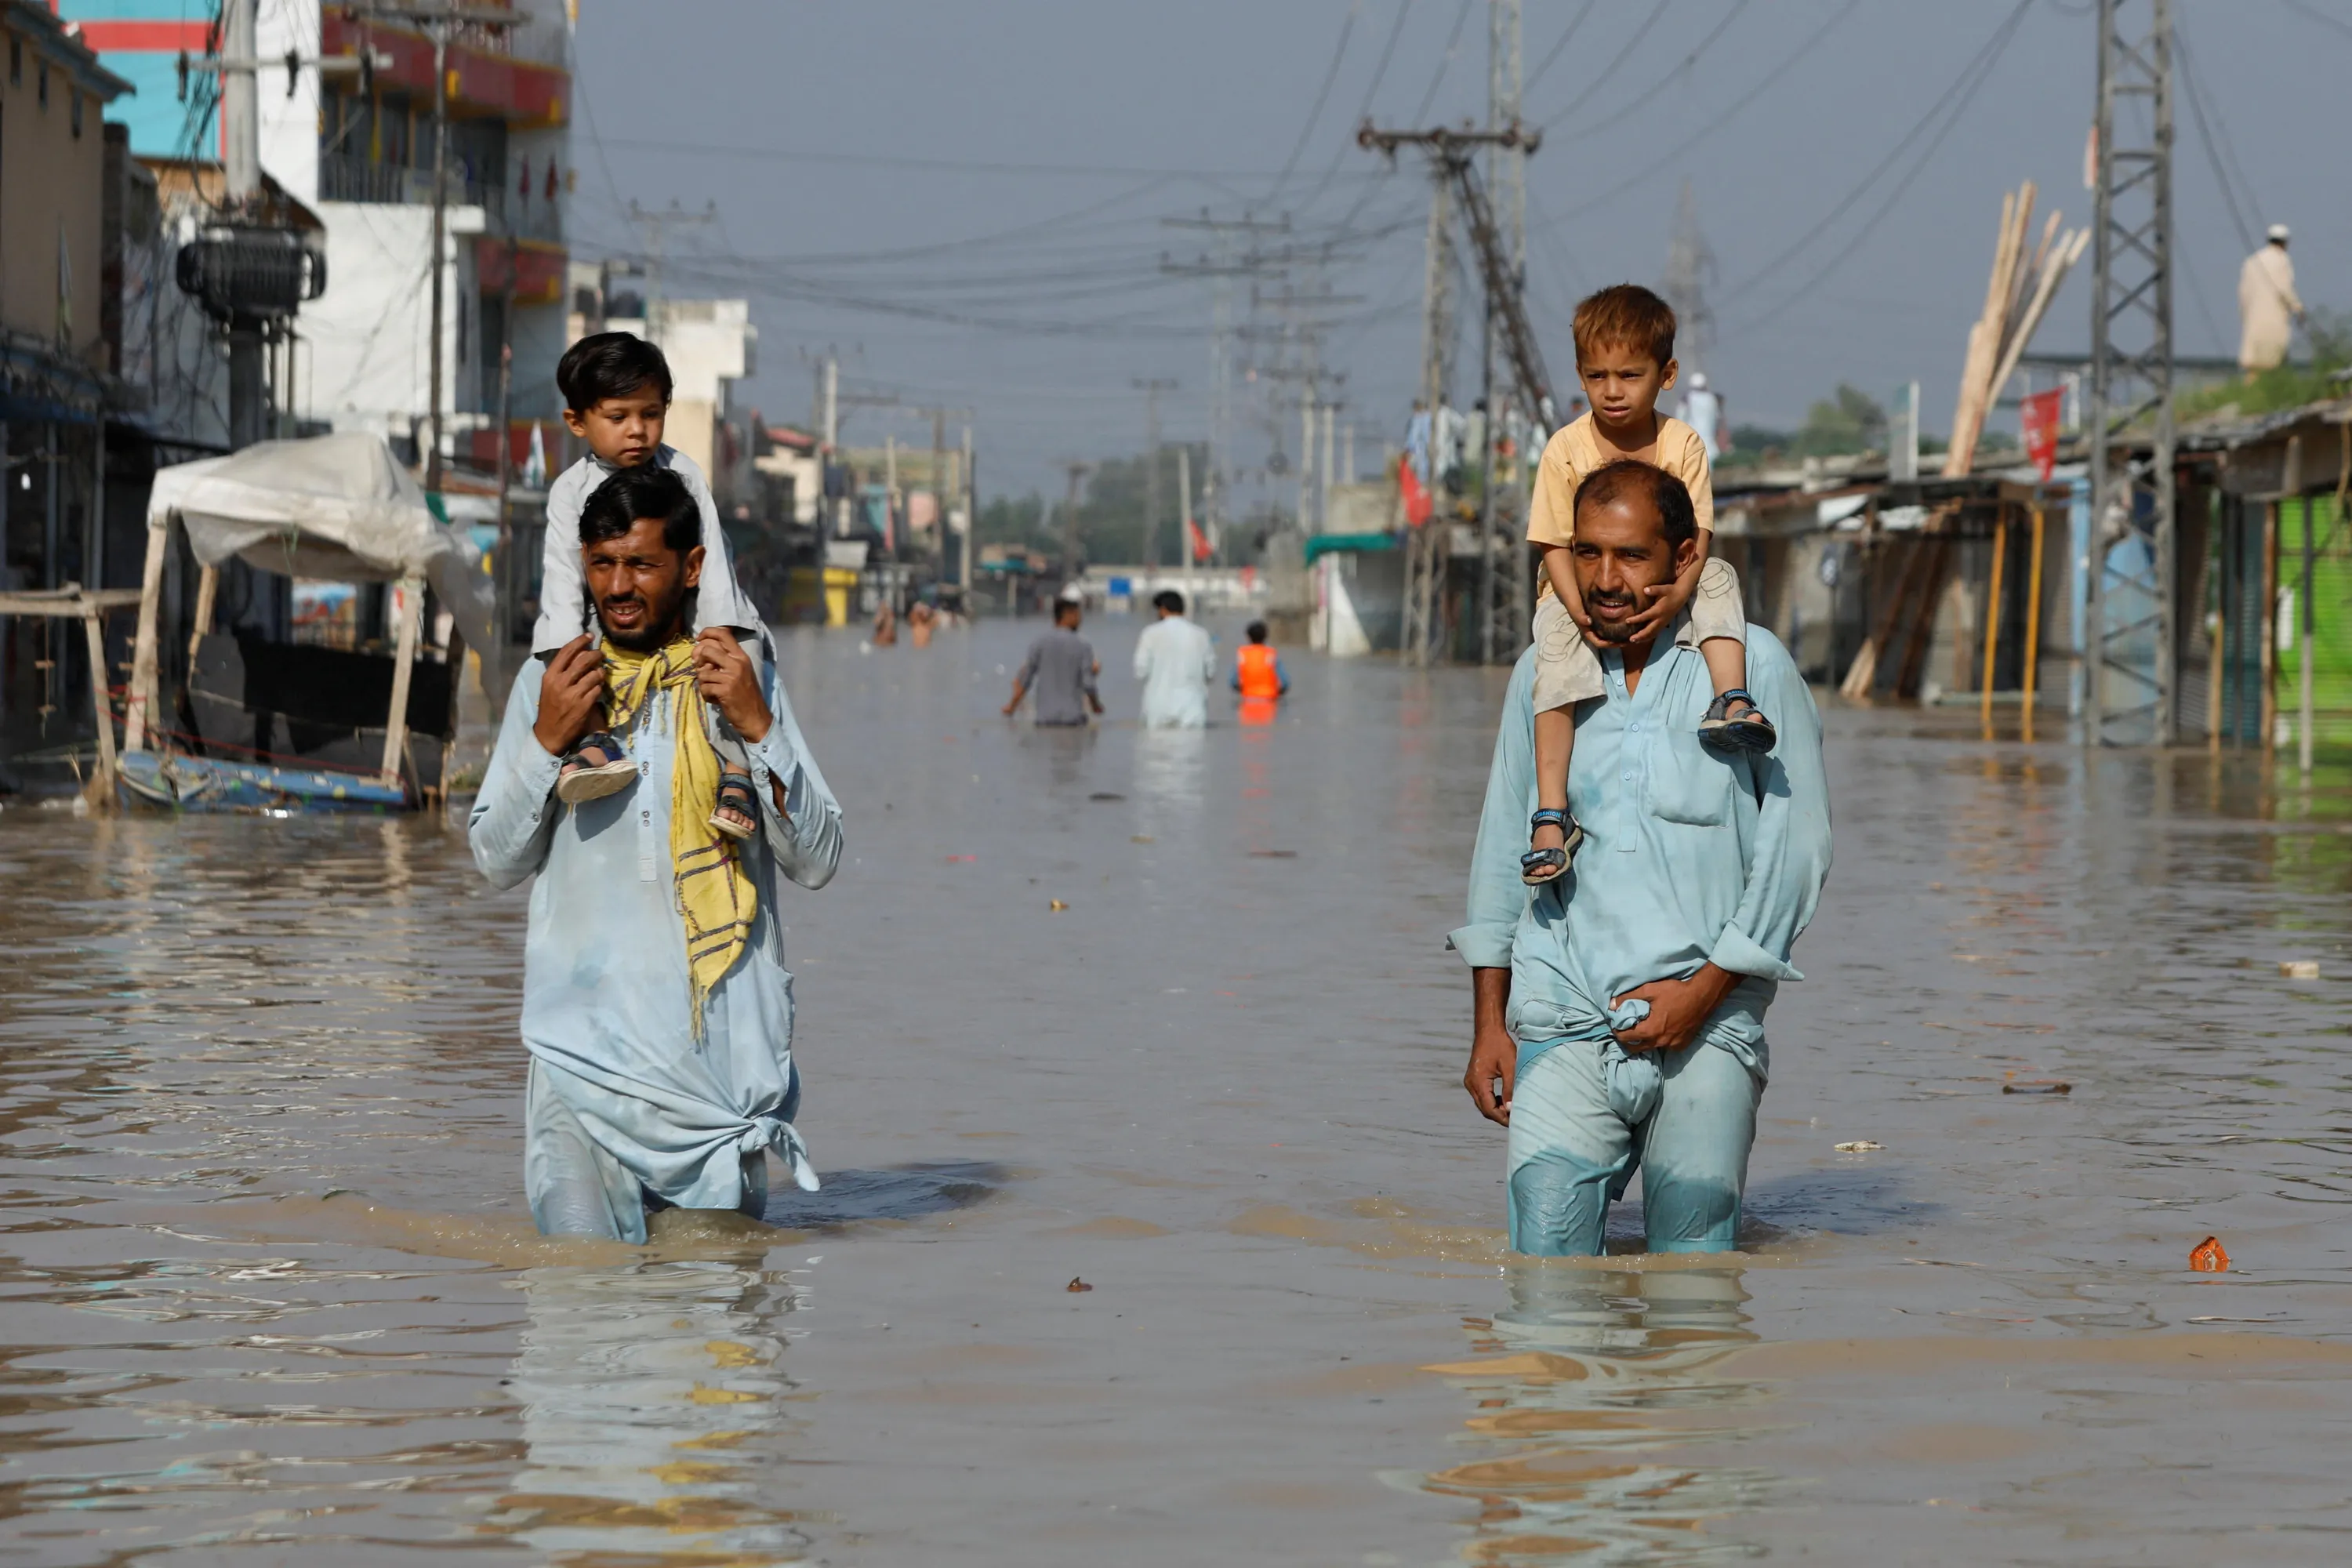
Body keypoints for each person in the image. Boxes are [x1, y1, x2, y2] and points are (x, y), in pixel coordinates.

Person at [1454, 460, 1831, 1257]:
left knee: (1693, 1290)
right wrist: (1489, 1019)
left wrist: (1705, 992)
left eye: (1631, 555)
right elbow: (1500, 846)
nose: (1605, 579)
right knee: (1544, 1282)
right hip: (1563, 1018)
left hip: (1709, 1028)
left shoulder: (1751, 668)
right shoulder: (1545, 672)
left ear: (1685, 555)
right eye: (1588, 553)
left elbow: (1795, 852)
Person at [470, 462, 844, 1243]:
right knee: (582, 1299)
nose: (619, 586)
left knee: (715, 1320)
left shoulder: (745, 680)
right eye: (603, 565)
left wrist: (758, 729)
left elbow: (819, 857)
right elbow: (495, 859)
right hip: (580, 1066)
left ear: (693, 567)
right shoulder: (554, 683)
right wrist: (546, 741)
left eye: (641, 563)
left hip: (714, 1085)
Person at [1519, 285, 1773, 889]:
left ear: (1667, 375)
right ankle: (1551, 815)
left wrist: (1679, 593)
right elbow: (1553, 543)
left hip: (1670, 582)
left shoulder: (1681, 443)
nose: (1612, 391)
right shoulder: (1565, 449)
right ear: (1580, 375)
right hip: (1574, 592)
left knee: (1719, 577)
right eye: (1596, 376)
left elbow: (1700, 535)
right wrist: (1579, 610)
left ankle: (1730, 698)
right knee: (1552, 661)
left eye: (1629, 375)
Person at [536, 332, 765, 840]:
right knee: (568, 658)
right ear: (577, 422)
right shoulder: (569, 492)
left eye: (651, 414)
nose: (637, 431)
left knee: (740, 659)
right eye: (618, 418)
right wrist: (564, 647)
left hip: (694, 610)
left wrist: (719, 631)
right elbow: (561, 582)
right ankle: (597, 741)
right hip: (603, 624)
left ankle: (738, 772)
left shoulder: (684, 473)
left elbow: (715, 566)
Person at [1004, 586, 1102, 725]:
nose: (1080, 620)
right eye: (1078, 615)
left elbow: (1024, 681)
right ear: (1069, 615)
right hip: (1073, 721)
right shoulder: (1083, 646)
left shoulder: (1039, 644)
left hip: (1044, 720)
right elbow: (1089, 684)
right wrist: (1096, 706)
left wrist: (1011, 707)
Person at [1133, 588, 1216, 728]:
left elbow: (1140, 671)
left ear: (1163, 610)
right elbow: (1210, 673)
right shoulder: (1201, 635)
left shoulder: (1150, 634)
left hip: (1158, 710)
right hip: (1193, 710)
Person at [2239, 223, 2304, 379]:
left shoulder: (2252, 261)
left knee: (2253, 366)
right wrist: (2298, 308)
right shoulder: (2282, 260)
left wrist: (2245, 315)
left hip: (2253, 318)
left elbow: (2243, 294)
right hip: (2275, 318)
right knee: (2274, 362)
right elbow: (2285, 289)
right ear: (2285, 242)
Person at [1232, 619, 1290, 728]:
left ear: (1248, 637)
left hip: (1247, 701)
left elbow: (1233, 683)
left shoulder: (1242, 654)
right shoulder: (1271, 654)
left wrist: (1244, 690)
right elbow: (1285, 683)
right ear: (1266, 637)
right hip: (1270, 701)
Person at [1679, 370, 1725, 460]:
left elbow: (1680, 417)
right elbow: (1718, 418)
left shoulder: (1688, 398)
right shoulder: (1711, 398)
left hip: (1692, 436)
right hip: (1708, 437)